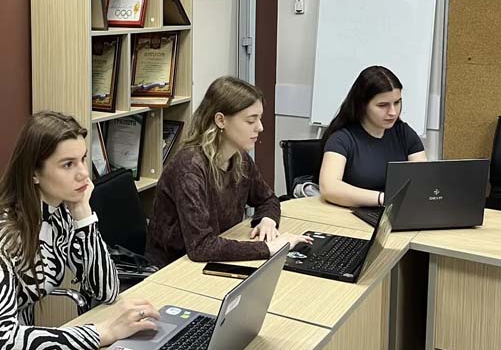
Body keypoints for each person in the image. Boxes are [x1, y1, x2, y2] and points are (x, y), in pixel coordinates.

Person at [0, 111, 160, 350]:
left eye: (83, 159)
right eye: (68, 164)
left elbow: (106, 290)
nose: (83, 174)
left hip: (24, 348)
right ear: (34, 173)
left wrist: (83, 213)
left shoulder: (58, 210)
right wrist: (103, 332)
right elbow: (1, 344)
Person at [145, 76, 308, 268]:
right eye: (251, 120)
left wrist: (268, 220)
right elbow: (201, 247)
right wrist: (268, 248)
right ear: (221, 120)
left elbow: (268, 199)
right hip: (173, 269)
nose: (260, 127)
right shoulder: (189, 167)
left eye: (259, 118)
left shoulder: (239, 158)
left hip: (212, 260)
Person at [319, 66, 426, 208]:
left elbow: (423, 178)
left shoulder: (404, 133)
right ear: (362, 105)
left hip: (395, 212)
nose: (393, 112)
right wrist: (383, 199)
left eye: (397, 103)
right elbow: (329, 187)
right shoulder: (342, 139)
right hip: (351, 214)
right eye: (382, 105)